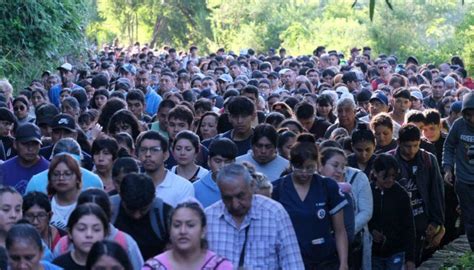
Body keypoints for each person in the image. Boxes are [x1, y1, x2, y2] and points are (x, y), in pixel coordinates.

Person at [206, 163, 304, 269]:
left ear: (252, 185)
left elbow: (293, 264)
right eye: (227, 198)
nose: (235, 204)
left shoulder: (274, 213)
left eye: (240, 196)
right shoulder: (208, 217)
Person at [391, 124, 445, 265]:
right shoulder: (389, 160)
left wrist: (437, 222)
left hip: (423, 224)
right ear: (399, 143)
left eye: (415, 145)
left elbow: (437, 194)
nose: (412, 150)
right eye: (407, 146)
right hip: (398, 227)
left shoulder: (428, 159)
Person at [142, 199, 233, 269]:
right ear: (170, 230)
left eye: (190, 225)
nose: (183, 231)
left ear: (203, 231)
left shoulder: (220, 266)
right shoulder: (153, 267)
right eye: (177, 225)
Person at [111, 173, 173, 260]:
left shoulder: (164, 214)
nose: (137, 216)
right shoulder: (109, 210)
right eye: (131, 209)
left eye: (143, 210)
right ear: (121, 196)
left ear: (153, 198)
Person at [369, 154, 416, 270]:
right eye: (385, 176)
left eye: (393, 176)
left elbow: (409, 227)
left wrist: (410, 259)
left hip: (396, 251)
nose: (390, 180)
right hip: (373, 253)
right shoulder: (367, 191)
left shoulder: (401, 194)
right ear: (375, 173)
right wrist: (371, 231)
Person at [443, 91, 474, 250]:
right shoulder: (459, 125)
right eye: (468, 114)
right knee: (469, 218)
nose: (472, 119)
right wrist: (447, 168)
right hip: (463, 180)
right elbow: (448, 146)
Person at [136, 130, 194, 207]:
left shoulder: (183, 186)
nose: (148, 154)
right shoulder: (135, 185)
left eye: (154, 150)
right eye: (143, 150)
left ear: (165, 155)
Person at [53, 203, 109, 269]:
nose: (89, 234)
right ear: (70, 233)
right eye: (81, 229)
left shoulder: (113, 264)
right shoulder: (58, 266)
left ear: (105, 233)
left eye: (96, 229)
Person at [0, 123, 50, 194]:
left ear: (40, 145)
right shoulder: (4, 169)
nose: (30, 149)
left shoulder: (49, 170)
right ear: (15, 144)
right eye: (25, 144)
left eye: (35, 144)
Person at [193, 138, 238, 207]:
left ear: (234, 162)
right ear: (209, 161)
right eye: (217, 161)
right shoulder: (195, 188)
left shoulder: (243, 186)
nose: (222, 166)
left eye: (227, 162)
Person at [48, 153, 83, 230]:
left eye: (67, 174)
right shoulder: (45, 203)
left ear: (78, 178)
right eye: (56, 174)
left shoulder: (85, 203)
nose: (61, 178)